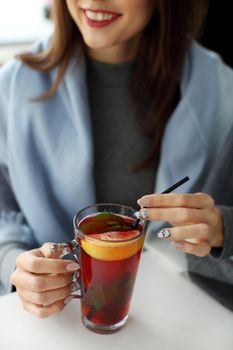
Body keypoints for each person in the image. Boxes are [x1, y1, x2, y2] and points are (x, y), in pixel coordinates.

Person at [0, 0, 233, 317]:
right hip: (56, 324)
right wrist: (17, 265)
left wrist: (223, 229)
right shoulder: (11, 87)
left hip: (181, 319)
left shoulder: (222, 94)